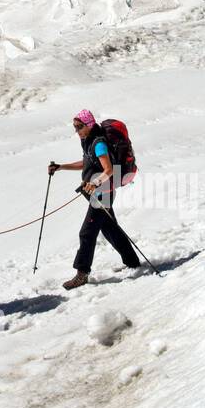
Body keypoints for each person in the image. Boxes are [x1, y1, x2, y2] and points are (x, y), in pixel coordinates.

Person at [48, 110, 139, 290]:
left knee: (87, 232)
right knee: (110, 229)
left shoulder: (98, 143)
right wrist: (61, 167)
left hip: (102, 193)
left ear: (89, 124)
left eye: (80, 127)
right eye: (75, 127)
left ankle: (82, 274)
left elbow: (109, 169)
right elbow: (87, 163)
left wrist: (95, 182)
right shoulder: (88, 141)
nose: (77, 131)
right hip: (98, 191)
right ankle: (132, 262)